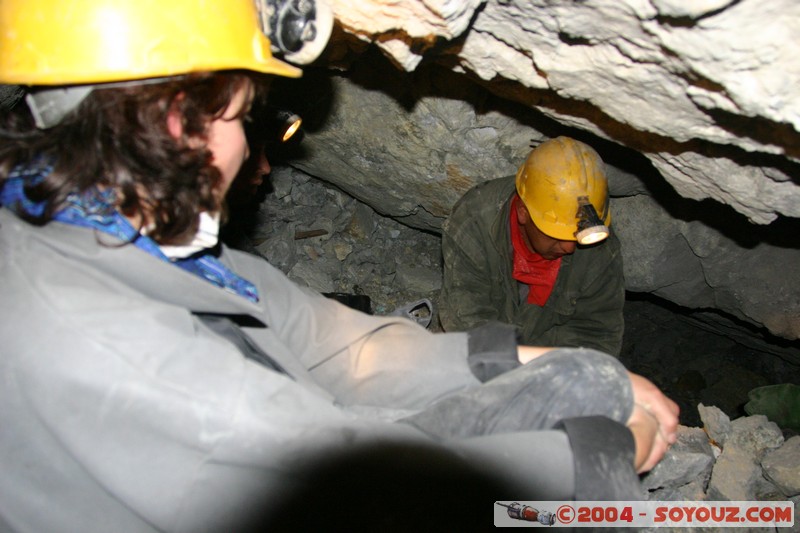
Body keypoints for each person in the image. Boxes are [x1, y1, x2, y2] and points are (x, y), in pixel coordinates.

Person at [0, 1, 677, 531]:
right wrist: (605, 453)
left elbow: (343, 347)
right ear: (184, 120)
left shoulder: (150, 251)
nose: (257, 156)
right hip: (313, 488)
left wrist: (559, 366)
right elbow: (362, 495)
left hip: (300, 454)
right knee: (598, 489)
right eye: (248, 118)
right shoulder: (106, 343)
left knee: (585, 376)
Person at [439, 136, 626, 356]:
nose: (569, 247)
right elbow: (469, 320)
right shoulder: (474, 223)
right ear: (523, 213)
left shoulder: (598, 247)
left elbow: (597, 334)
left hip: (548, 362)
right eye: (556, 235)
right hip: (490, 352)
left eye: (576, 236)